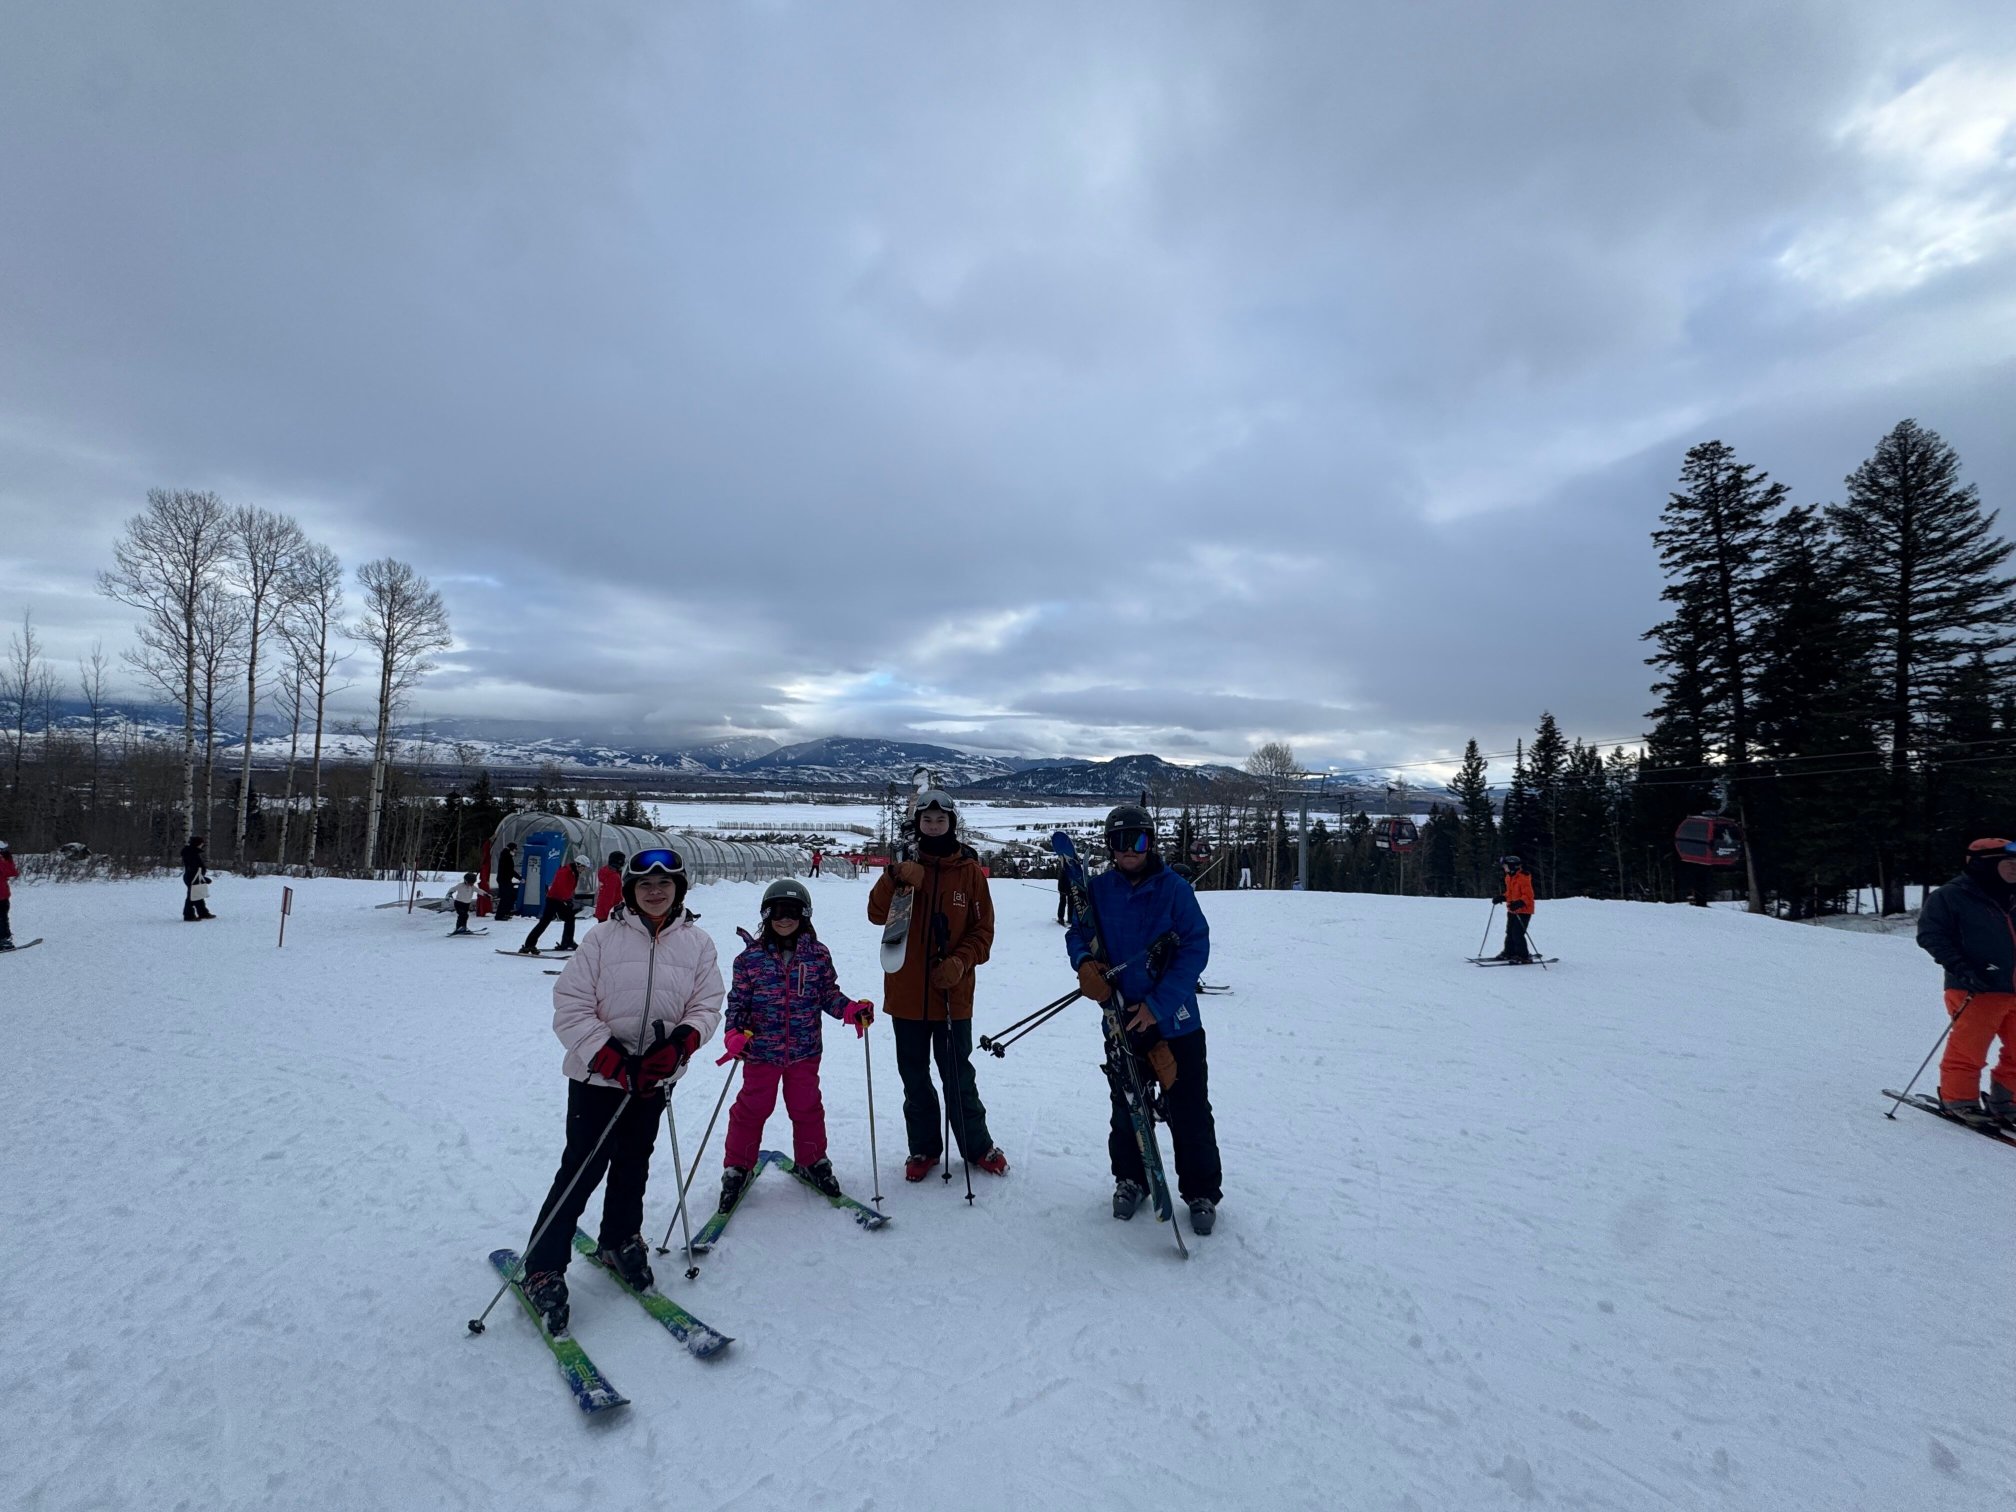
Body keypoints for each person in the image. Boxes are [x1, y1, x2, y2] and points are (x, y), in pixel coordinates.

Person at [514, 848, 723, 1334]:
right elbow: (570, 1003)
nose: (655, 892)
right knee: (582, 1168)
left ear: (679, 890)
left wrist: (681, 1044)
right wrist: (607, 1057)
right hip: (598, 1078)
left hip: (653, 1076)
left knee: (634, 1162)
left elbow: (707, 1004)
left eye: (665, 884)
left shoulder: (698, 944)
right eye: (645, 885)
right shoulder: (602, 939)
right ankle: (544, 1264)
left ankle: (619, 1238)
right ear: (629, 890)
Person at [1066, 803, 1221, 1235]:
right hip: (1120, 1017)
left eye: (1136, 840)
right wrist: (1084, 965)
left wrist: (1158, 1004)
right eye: (1118, 842)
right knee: (1127, 1105)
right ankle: (1131, 1177)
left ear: (1150, 842)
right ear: (1109, 847)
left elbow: (1195, 948)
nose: (1128, 850)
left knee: (1188, 1107)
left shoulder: (1174, 889)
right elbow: (1078, 931)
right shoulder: (1101, 889)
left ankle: (1200, 1189)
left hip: (1175, 1021)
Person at [865, 790, 1009, 1181]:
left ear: (951, 824)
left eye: (940, 820)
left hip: (952, 994)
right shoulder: (905, 866)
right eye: (926, 821)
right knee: (914, 1077)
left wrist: (961, 961)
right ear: (918, 825)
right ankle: (924, 1148)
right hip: (906, 994)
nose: (933, 826)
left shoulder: (968, 874)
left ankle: (977, 1146)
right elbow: (877, 915)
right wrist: (893, 878)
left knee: (958, 1075)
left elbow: (983, 932)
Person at [716, 878, 874, 1209]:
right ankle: (737, 1167)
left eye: (792, 912)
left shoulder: (817, 955)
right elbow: (738, 1005)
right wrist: (734, 1033)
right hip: (761, 1052)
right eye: (777, 912)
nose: (784, 919)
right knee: (752, 1108)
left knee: (806, 1106)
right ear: (766, 915)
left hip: (804, 1050)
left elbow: (827, 994)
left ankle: (812, 1159)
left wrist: (849, 1010)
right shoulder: (749, 960)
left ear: (804, 916)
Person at [1915, 837, 2016, 1126]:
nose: (2014, 869)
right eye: (2007, 864)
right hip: (1975, 986)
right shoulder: (1951, 896)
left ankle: (2007, 1101)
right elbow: (1931, 935)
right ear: (1984, 865)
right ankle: (1959, 1100)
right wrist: (1964, 967)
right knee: (1970, 1048)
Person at [519, 854, 583, 954]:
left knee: (570, 918)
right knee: (545, 922)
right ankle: (529, 945)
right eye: (583, 867)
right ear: (578, 865)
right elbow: (559, 887)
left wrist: (568, 899)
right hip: (553, 899)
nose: (584, 870)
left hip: (561, 900)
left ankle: (567, 941)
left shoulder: (573, 872)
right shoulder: (566, 871)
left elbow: (569, 888)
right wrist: (566, 899)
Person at [1494, 855, 1535, 963]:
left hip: (1524, 911)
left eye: (1506, 866)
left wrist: (1520, 903)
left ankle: (1523, 956)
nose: (1504, 868)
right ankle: (1509, 952)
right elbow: (1510, 893)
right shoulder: (1508, 877)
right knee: (1509, 931)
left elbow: (1528, 895)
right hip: (1512, 909)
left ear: (1512, 866)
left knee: (1517, 933)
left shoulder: (1523, 878)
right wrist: (1502, 897)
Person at [181, 835, 214, 922]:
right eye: (201, 844)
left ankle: (202, 912)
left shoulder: (191, 852)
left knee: (197, 894)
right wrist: (203, 878)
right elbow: (194, 869)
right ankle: (188, 915)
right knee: (192, 897)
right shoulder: (191, 853)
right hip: (192, 877)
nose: (202, 845)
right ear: (198, 844)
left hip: (193, 877)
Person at [594, 851, 624, 923]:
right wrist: (611, 913)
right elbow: (609, 897)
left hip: (602, 911)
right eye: (622, 861)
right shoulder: (613, 876)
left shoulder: (606, 873)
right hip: (608, 913)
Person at [494, 844, 518, 921]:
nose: (515, 851)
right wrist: (519, 877)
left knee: (510, 896)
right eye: (514, 849)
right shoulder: (507, 857)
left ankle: (505, 913)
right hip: (504, 880)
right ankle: (499, 915)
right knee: (505, 898)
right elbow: (510, 870)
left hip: (505, 879)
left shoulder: (506, 856)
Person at [0, 839, 17, 948]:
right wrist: (8, 859)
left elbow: (12, 872)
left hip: (3, 895)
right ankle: (3, 940)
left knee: (2, 917)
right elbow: (11, 872)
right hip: (1, 896)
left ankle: (4, 938)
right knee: (2, 918)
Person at [1055, 858, 1071, 926]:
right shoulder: (1063, 869)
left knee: (1070, 904)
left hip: (1070, 889)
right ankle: (1061, 918)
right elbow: (1061, 881)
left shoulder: (1069, 869)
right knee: (1063, 903)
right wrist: (1061, 890)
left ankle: (1070, 919)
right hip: (1064, 889)